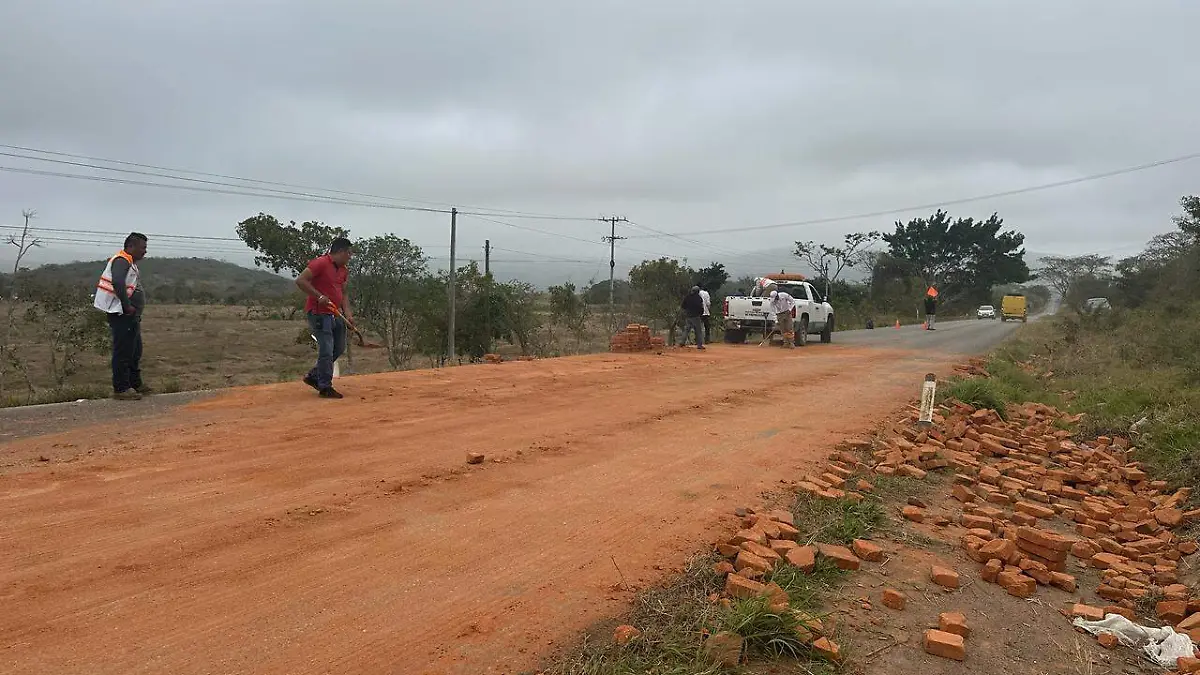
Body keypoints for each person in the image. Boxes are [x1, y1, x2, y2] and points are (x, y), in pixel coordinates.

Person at [295, 238, 354, 399]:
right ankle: (325, 386)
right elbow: (300, 280)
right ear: (341, 252)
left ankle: (314, 376)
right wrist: (318, 295)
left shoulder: (343, 270)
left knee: (338, 348)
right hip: (319, 313)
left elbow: (344, 293)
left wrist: (348, 313)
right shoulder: (320, 263)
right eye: (349, 253)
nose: (350, 256)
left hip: (336, 313)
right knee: (327, 349)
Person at [94, 233, 150, 400]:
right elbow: (117, 282)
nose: (145, 252)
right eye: (143, 248)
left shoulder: (129, 263)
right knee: (124, 351)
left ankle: (135, 384)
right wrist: (127, 305)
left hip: (129, 315)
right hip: (120, 313)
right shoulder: (121, 260)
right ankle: (121, 388)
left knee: (135, 350)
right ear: (131, 247)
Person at [680, 285, 706, 350]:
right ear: (698, 291)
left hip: (688, 316)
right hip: (696, 316)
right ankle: (699, 345)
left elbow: (683, 306)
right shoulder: (699, 298)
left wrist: (687, 311)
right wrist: (701, 314)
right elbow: (701, 307)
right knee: (698, 331)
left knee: (686, 330)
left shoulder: (687, 297)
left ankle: (682, 342)